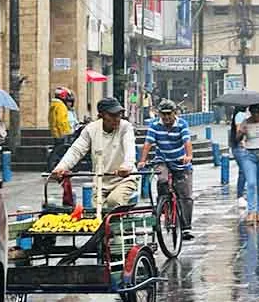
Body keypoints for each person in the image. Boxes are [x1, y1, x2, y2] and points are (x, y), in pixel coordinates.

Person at [53, 97, 138, 208]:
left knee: (113, 201)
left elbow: (129, 148)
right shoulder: (91, 129)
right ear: (102, 115)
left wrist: (127, 166)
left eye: (119, 115)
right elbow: (76, 150)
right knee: (96, 210)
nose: (117, 119)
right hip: (101, 182)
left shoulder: (125, 127)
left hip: (124, 179)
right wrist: (61, 167)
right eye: (112, 115)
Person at [138, 99, 195, 240]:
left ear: (175, 113)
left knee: (185, 195)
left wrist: (189, 156)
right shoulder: (154, 125)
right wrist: (142, 161)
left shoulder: (182, 124)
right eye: (163, 114)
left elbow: (187, 141)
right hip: (162, 160)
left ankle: (186, 227)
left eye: (169, 114)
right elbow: (148, 143)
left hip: (180, 161)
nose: (166, 117)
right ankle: (164, 204)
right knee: (162, 180)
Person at [230, 106, 250, 208]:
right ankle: (240, 196)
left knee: (245, 170)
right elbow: (239, 130)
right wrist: (242, 141)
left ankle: (242, 194)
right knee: (243, 170)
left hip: (240, 146)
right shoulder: (240, 115)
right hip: (239, 146)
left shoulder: (242, 115)